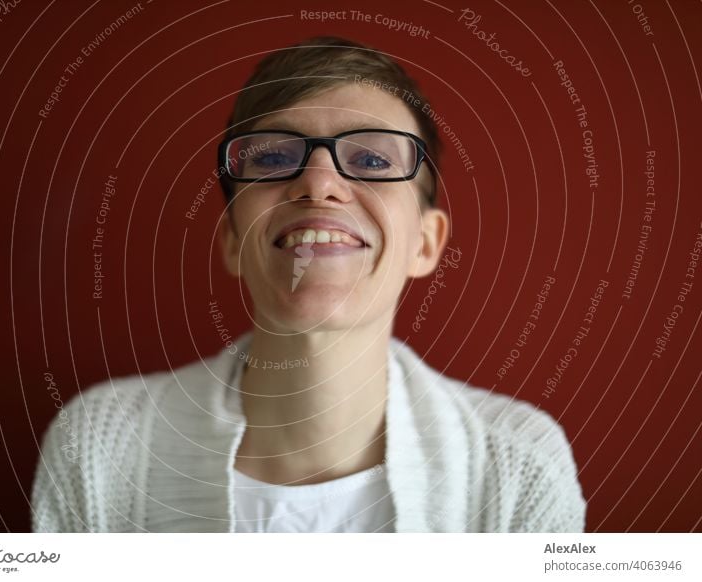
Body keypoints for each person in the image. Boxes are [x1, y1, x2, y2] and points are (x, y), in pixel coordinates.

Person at [31, 36, 586, 533]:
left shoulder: (518, 465)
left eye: (371, 159)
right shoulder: (96, 448)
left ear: (425, 242)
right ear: (231, 239)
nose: (319, 183)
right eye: (274, 157)